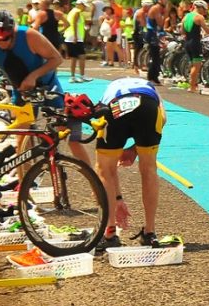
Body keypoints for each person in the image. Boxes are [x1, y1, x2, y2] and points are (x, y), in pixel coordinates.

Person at [0, 10, 91, 167]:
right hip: (22, 93)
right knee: (22, 141)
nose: (2, 42)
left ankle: (93, 179)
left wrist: (33, 76)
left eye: (6, 38)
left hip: (48, 87)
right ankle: (25, 184)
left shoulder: (29, 36)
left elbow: (56, 59)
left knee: (67, 135)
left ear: (12, 32)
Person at [71, 77, 165, 251]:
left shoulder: (111, 88)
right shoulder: (150, 88)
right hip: (148, 108)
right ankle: (150, 232)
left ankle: (109, 231)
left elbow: (110, 170)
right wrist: (135, 150)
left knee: (104, 168)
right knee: (149, 169)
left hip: (115, 106)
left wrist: (117, 198)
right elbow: (163, 119)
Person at [184, 0, 209, 92]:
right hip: (195, 42)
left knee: (193, 64)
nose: (205, 12)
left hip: (187, 42)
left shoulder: (186, 16)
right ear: (200, 8)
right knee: (197, 66)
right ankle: (192, 87)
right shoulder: (199, 17)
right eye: (205, 10)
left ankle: (193, 85)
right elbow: (207, 30)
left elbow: (182, 31)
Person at [64, 0, 93, 83]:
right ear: (79, 4)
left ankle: (73, 76)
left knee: (74, 57)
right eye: (83, 6)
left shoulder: (73, 12)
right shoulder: (76, 12)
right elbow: (74, 24)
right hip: (75, 38)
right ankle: (81, 75)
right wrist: (75, 37)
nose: (84, 8)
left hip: (72, 37)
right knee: (81, 56)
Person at [145, 0, 169, 84]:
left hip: (155, 34)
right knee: (155, 57)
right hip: (151, 34)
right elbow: (160, 23)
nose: (166, 1)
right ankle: (152, 77)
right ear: (159, 0)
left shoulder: (160, 9)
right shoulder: (156, 9)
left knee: (156, 56)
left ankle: (154, 76)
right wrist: (166, 14)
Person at [133, 0, 152, 71]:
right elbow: (144, 24)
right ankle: (137, 64)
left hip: (142, 32)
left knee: (142, 48)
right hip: (138, 33)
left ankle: (139, 64)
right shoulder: (141, 12)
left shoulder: (145, 12)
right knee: (139, 49)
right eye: (149, 6)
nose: (150, 8)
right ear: (145, 6)